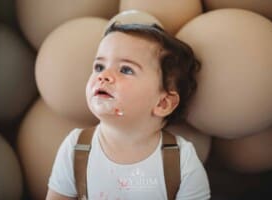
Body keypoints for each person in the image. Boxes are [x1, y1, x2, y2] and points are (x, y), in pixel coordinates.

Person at [46, 22, 210, 200]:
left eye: (126, 69)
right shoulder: (76, 147)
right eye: (99, 67)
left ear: (163, 103)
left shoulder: (181, 161)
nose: (103, 76)